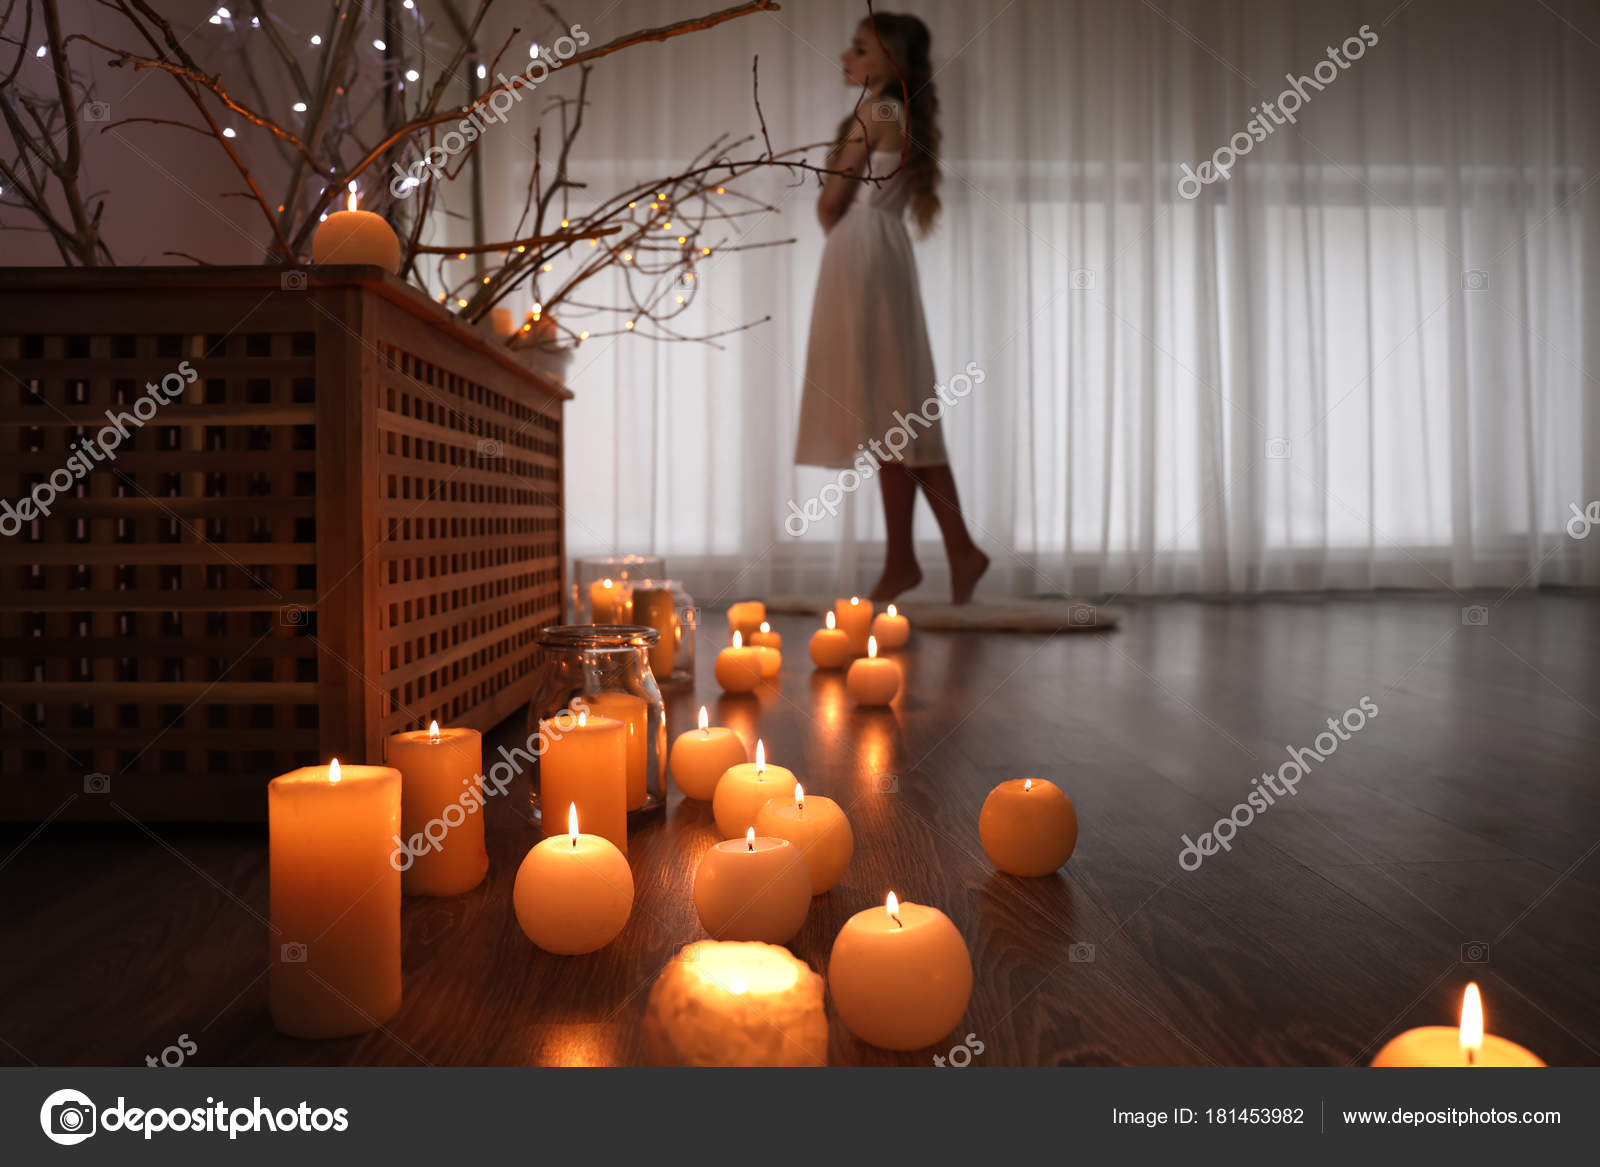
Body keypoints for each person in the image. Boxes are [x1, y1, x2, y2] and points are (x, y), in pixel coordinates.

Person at [794, 11, 989, 604]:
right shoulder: (896, 112)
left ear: (888, 60)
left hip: (862, 253)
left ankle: (942, 552)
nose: (844, 57)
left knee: (897, 415)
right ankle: (926, 555)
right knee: (894, 416)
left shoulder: (875, 111)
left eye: (858, 48)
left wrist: (840, 234)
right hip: (883, 251)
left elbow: (833, 199)